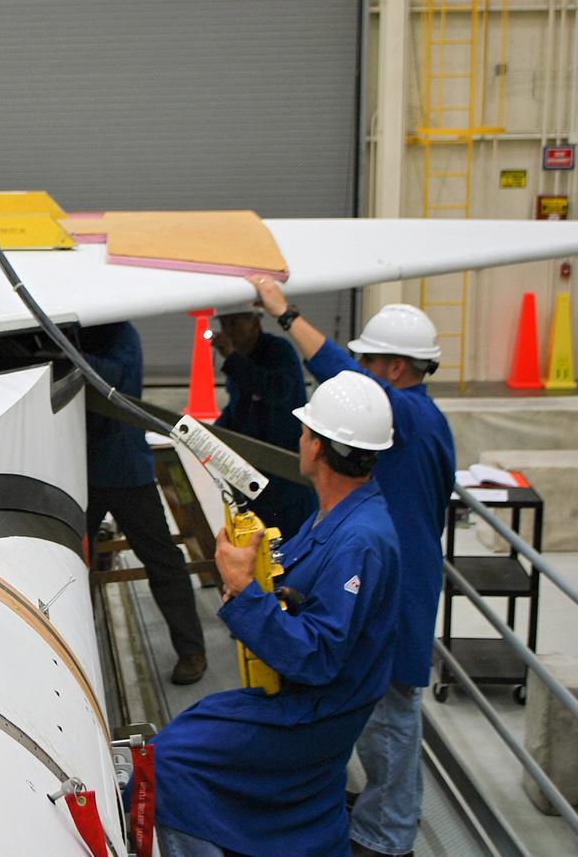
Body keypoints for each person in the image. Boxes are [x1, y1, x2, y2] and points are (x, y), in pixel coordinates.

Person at [152, 370, 401, 857]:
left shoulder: (360, 540)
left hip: (315, 712)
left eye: (305, 431)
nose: (300, 439)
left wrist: (243, 587)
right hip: (310, 700)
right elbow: (306, 595)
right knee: (192, 723)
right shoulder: (338, 515)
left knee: (168, 763)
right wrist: (261, 579)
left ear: (317, 447)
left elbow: (317, 657)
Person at [248, 275, 456, 857]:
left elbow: (338, 371)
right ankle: (377, 817)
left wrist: (284, 313)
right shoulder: (428, 419)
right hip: (408, 576)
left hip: (400, 589)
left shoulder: (404, 414)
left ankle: (388, 838)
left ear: (395, 369)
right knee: (382, 709)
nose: (361, 372)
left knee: (391, 717)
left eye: (370, 363)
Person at [81, 322, 208, 685]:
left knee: (161, 559)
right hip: (80, 467)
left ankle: (191, 650)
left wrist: (64, 355)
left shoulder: (120, 333)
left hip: (124, 469)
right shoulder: (75, 330)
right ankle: (79, 653)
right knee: (72, 563)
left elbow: (113, 377)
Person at [211, 304, 317, 540]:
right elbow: (238, 408)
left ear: (254, 322)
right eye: (224, 325)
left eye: (235, 323)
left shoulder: (278, 351)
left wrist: (233, 360)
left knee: (291, 541)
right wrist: (210, 434)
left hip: (285, 472)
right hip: (252, 473)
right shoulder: (240, 360)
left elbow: (276, 390)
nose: (229, 331)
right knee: (256, 541)